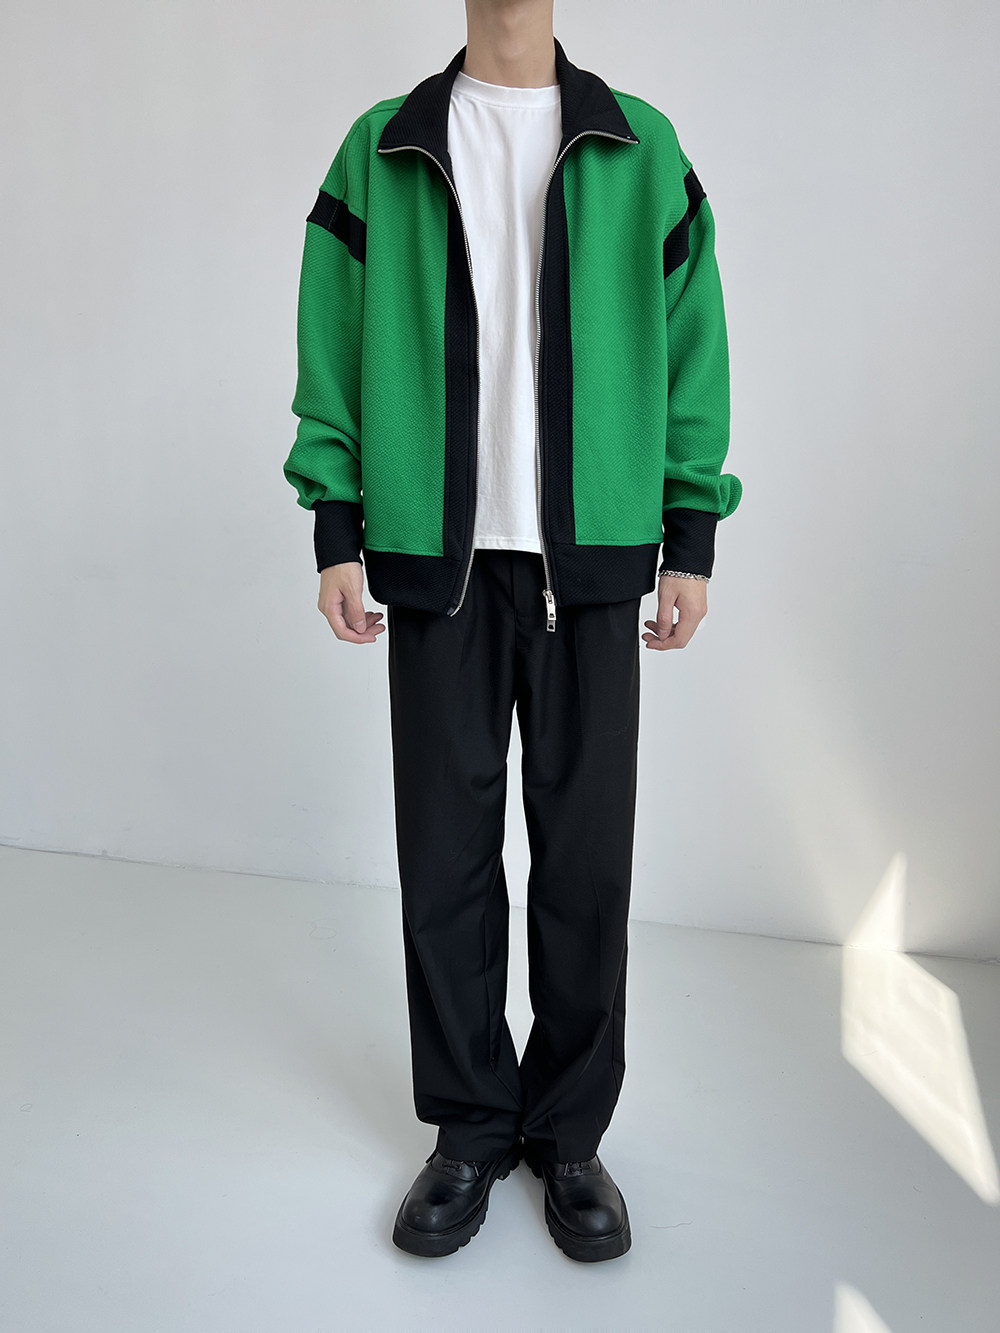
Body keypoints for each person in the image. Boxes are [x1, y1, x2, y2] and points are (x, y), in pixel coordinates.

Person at [283, 0, 741, 1264]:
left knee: (586, 866)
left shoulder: (638, 145)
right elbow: (329, 336)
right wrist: (336, 522)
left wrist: (688, 533)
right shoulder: (383, 145)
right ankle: (470, 1126)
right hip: (437, 563)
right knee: (444, 861)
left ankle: (569, 1133)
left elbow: (692, 344)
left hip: (590, 563)